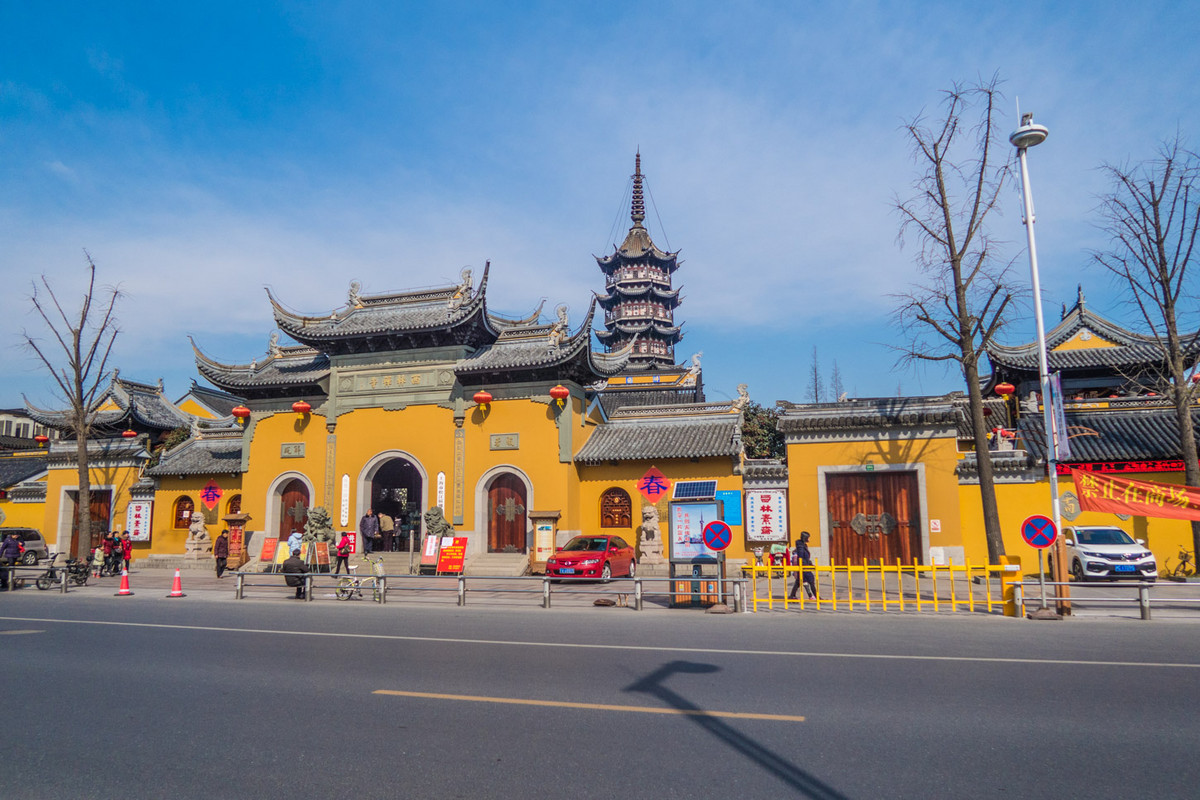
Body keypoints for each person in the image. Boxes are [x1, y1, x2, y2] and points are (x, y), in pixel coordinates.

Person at [788, 531, 818, 600]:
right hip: (803, 567)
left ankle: (792, 596)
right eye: (808, 538)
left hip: (804, 566)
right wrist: (806, 566)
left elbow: (806, 558)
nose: (809, 539)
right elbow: (801, 558)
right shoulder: (801, 547)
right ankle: (817, 597)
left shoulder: (803, 546)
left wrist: (810, 563)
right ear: (805, 538)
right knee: (811, 581)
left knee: (798, 582)